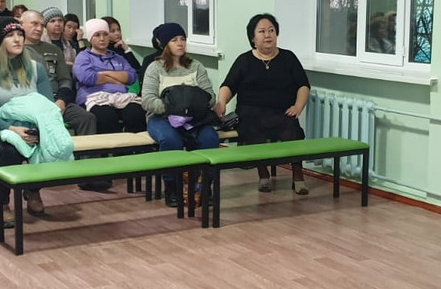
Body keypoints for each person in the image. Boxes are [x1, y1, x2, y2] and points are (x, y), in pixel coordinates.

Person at [215, 13, 311, 194]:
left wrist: (298, 106)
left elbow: (303, 85)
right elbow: (228, 85)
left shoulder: (288, 57)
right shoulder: (244, 60)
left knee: (291, 129)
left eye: (271, 30)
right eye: (262, 31)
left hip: (281, 111)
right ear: (253, 38)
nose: (267, 35)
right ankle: (263, 175)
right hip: (250, 112)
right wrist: (222, 101)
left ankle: (298, 176)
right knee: (254, 129)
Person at [0, 17, 54, 224]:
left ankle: (33, 190)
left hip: (31, 126)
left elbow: (48, 106)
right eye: (10, 36)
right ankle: (1, 203)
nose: (17, 39)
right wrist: (12, 129)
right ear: (0, 40)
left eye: (20, 34)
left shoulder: (36, 68)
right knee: (11, 150)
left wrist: (38, 130)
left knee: (47, 144)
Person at [142, 23, 219, 207]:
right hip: (161, 118)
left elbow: (210, 97)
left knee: (210, 138)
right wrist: (172, 109)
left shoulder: (196, 66)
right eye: (174, 40)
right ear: (164, 44)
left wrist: (191, 108)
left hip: (194, 118)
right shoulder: (155, 68)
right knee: (171, 140)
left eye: (183, 39)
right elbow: (147, 100)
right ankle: (172, 187)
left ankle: (204, 186)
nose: (180, 43)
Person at [20, 10, 96, 137]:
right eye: (34, 24)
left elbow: (65, 79)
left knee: (87, 118)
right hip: (31, 103)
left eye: (41, 25)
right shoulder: (16, 50)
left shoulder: (53, 50)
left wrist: (61, 100)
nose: (39, 28)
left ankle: (86, 150)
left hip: (57, 100)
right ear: (22, 25)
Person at [73, 19, 144, 133]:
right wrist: (117, 80)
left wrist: (104, 73)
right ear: (90, 38)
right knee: (106, 116)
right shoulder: (83, 57)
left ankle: (135, 144)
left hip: (121, 96)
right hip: (93, 97)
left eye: (105, 34)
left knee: (136, 113)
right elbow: (88, 78)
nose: (102, 38)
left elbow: (131, 77)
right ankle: (113, 145)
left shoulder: (118, 58)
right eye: (97, 35)